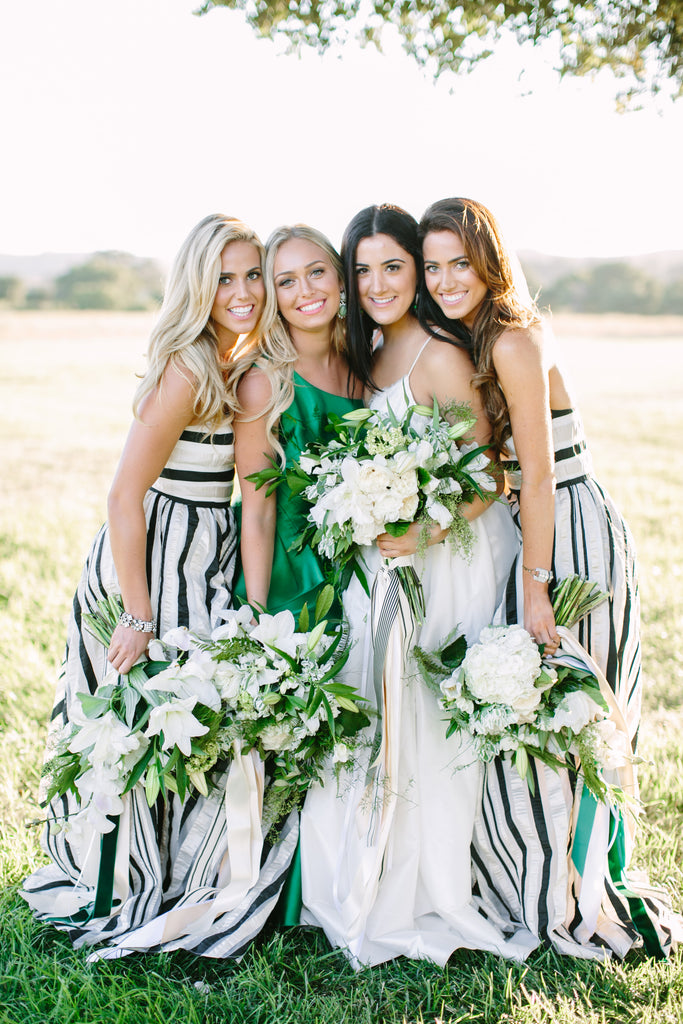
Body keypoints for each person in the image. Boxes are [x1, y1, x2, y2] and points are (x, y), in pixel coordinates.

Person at [22, 214, 298, 959]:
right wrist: (138, 614)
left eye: (251, 276)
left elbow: (254, 499)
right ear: (198, 285)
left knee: (193, 712)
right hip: (152, 555)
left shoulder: (243, 364)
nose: (241, 293)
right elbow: (123, 496)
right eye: (225, 278)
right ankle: (130, 873)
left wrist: (253, 598)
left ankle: (186, 871)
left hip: (203, 553)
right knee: (149, 713)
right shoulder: (188, 366)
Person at [419, 196, 678, 958]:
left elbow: (535, 475)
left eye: (457, 263)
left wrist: (534, 585)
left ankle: (583, 883)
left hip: (568, 525)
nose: (443, 280)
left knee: (575, 698)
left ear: (487, 259)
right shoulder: (476, 337)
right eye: (432, 267)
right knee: (545, 708)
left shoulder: (512, 337)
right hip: (541, 522)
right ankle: (547, 871)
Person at [299, 204, 536, 968]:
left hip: (449, 554)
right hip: (389, 559)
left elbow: (486, 472)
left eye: (392, 267)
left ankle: (427, 880)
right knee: (374, 704)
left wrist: (424, 529)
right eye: (361, 270)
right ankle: (356, 864)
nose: (376, 283)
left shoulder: (435, 353)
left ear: (415, 270)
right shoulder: (366, 350)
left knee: (425, 713)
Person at [232, 223, 364, 921]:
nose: (304, 291)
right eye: (285, 281)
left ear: (340, 279)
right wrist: (255, 616)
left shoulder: (366, 365)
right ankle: (281, 885)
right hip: (289, 568)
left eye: (316, 273)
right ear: (273, 297)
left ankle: (351, 867)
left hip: (361, 565)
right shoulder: (264, 379)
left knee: (354, 721)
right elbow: (253, 511)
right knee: (293, 725)